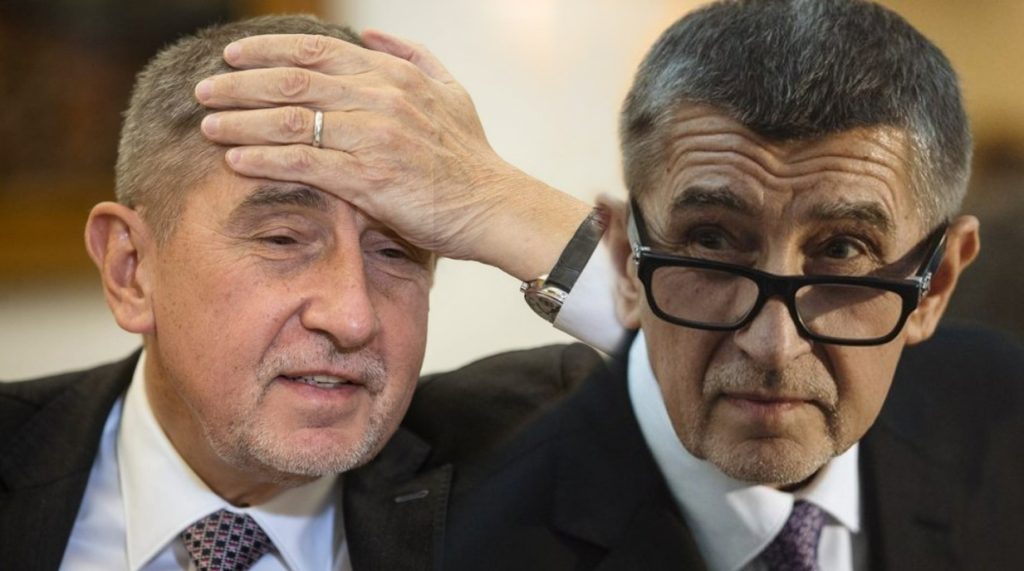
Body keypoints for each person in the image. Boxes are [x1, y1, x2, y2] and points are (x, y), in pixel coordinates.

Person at [192, 1, 1023, 569]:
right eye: (710, 240)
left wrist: (492, 199)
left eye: (842, 250)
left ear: (937, 282)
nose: (774, 346)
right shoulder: (464, 486)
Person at [0, 14, 600, 571]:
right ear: (130, 269)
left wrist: (499, 202)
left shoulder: (540, 459)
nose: (353, 318)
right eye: (282, 239)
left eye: (395, 253)